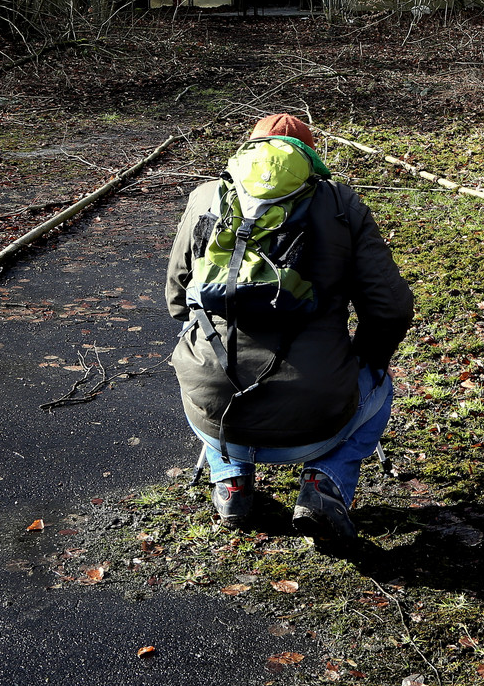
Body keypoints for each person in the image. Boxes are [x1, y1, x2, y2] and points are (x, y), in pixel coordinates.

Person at [165, 113, 413, 542]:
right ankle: (324, 482)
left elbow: (177, 295)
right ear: (311, 157)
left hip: (216, 410)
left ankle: (230, 481)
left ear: (249, 151)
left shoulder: (208, 196)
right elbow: (390, 309)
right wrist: (364, 358)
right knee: (379, 381)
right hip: (318, 415)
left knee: (196, 359)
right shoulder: (340, 204)